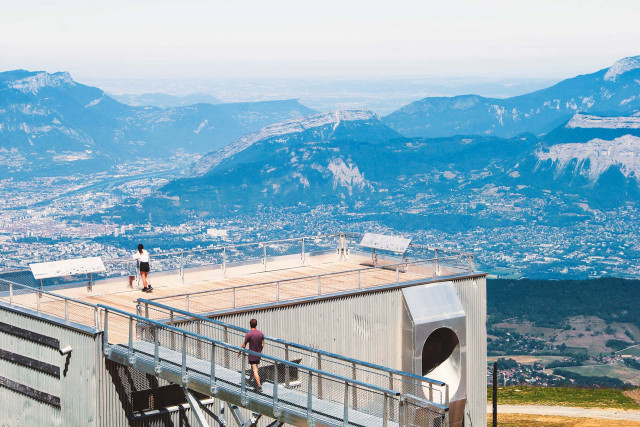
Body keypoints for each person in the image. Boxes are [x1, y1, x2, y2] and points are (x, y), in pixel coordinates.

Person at [240, 319, 264, 391]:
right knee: (254, 368)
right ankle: (250, 381)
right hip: (258, 354)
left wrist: (239, 352)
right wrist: (259, 351)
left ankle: (259, 386)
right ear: (256, 324)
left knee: (255, 369)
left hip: (252, 355)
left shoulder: (249, 334)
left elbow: (244, 345)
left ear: (250, 325)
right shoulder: (260, 333)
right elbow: (262, 344)